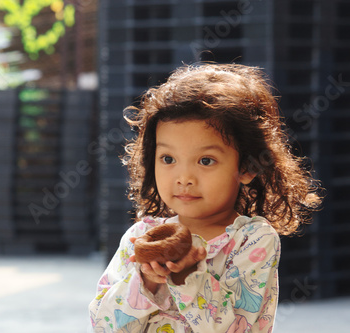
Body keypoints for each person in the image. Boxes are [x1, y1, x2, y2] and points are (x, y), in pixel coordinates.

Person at [89, 63, 322, 332]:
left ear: (246, 167)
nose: (184, 177)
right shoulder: (142, 237)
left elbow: (236, 328)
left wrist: (187, 276)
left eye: (206, 160)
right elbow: (102, 325)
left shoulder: (252, 240)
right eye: (168, 159)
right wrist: (146, 282)